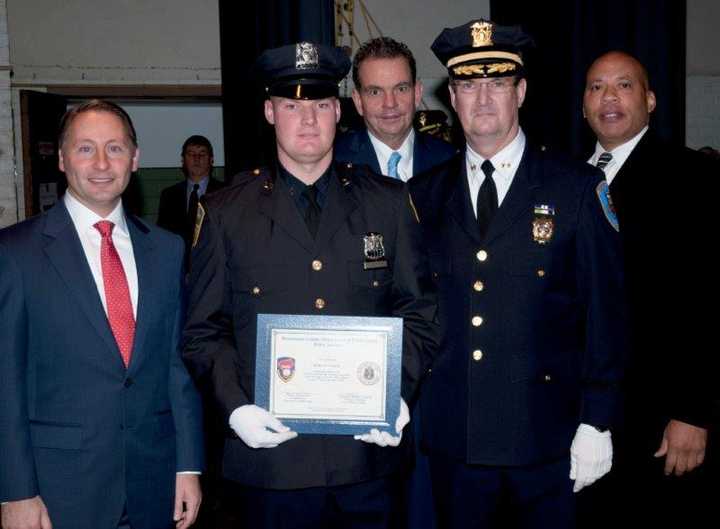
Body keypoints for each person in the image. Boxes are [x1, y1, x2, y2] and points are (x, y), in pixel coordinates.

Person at [182, 42, 439, 529]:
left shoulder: (386, 203)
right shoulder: (225, 212)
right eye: (292, 105)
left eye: (320, 104)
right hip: (271, 465)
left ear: (338, 112)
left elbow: (420, 313)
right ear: (269, 111)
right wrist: (234, 409)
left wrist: (397, 396)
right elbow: (202, 330)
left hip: (366, 461)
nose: (307, 120)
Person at [409, 19, 627, 528]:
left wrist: (598, 419)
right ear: (453, 97)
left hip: (547, 441)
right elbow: (411, 309)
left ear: (521, 91)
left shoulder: (576, 188)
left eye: (498, 83)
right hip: (454, 441)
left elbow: (606, 314)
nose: (483, 99)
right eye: (468, 85)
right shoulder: (423, 196)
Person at [0, 100, 204, 529]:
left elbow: (175, 369)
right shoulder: (15, 253)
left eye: (114, 148)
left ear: (135, 158)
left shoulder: (167, 250)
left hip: (155, 483)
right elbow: (6, 382)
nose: (100, 163)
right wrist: (15, 491)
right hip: (60, 491)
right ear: (61, 158)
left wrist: (188, 466)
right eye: (84, 148)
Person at [581, 50, 717, 527]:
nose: (609, 97)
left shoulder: (694, 178)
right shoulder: (565, 180)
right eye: (596, 87)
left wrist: (694, 412)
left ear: (651, 99)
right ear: (583, 105)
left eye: (624, 85)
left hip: (661, 417)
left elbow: (708, 303)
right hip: (587, 413)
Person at [335, 36, 456, 180]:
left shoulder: (450, 161)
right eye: (375, 92)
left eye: (401, 89)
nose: (390, 103)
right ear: (358, 101)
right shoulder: (334, 164)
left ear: (417, 94)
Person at [157, 135, 224, 249]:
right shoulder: (169, 195)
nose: (196, 158)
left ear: (211, 160)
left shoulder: (224, 192)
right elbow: (163, 235)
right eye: (191, 154)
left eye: (202, 154)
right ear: (183, 160)